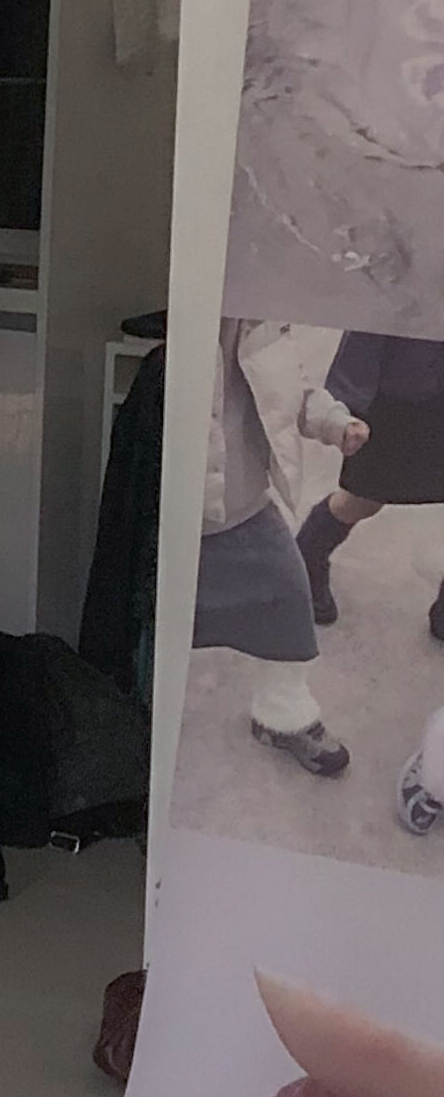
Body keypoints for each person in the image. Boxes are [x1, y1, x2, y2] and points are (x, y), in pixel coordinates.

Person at [200, 320, 361, 775]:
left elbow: (291, 388)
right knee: (150, 618)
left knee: (288, 595)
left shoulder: (259, 314)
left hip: (242, 500)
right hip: (165, 505)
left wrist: (335, 422)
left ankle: (282, 713)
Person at [297, 331, 444, 638]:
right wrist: (346, 402)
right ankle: (307, 558)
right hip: (403, 392)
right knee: (362, 498)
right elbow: (371, 316)